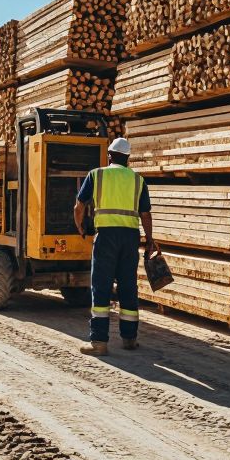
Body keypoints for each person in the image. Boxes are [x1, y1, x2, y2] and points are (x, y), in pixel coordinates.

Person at [73, 137, 154, 356]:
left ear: (109, 155)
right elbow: (145, 215)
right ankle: (129, 339)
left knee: (101, 286)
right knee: (128, 286)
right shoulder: (138, 180)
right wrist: (151, 240)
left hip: (106, 237)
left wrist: (81, 228)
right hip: (130, 239)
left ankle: (99, 342)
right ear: (128, 158)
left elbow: (79, 207)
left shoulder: (96, 175)